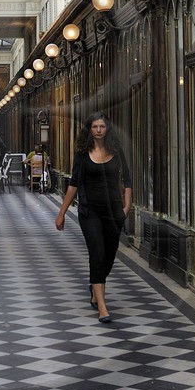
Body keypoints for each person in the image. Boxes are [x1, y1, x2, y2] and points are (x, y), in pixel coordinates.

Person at [54, 112, 133, 323]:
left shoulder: (116, 151)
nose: (98, 130)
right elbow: (73, 183)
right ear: (89, 130)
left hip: (113, 211)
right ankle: (103, 307)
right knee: (97, 254)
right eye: (95, 127)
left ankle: (94, 286)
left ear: (107, 129)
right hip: (90, 212)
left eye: (102, 126)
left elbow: (127, 178)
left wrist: (127, 205)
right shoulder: (82, 153)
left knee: (109, 254)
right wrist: (61, 212)